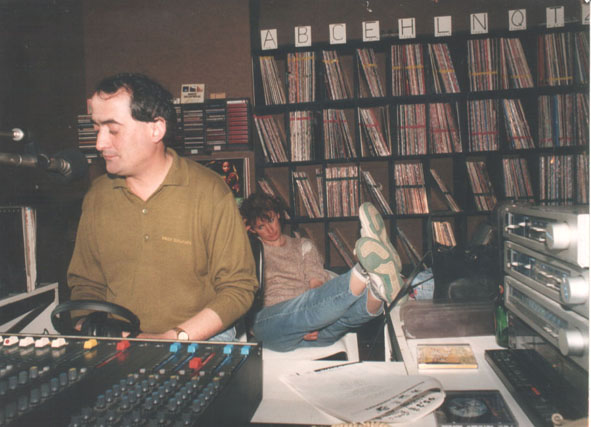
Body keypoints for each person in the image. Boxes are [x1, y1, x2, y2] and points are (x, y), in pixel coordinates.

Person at [67, 73, 258, 341]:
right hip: (120, 340)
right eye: (97, 128)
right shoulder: (97, 197)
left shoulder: (210, 192)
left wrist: (172, 338)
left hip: (196, 336)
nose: (100, 143)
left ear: (156, 129)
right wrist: (92, 326)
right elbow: (85, 285)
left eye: (113, 130)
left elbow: (238, 288)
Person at [239, 192, 403, 352]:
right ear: (252, 229)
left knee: (344, 320)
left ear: (278, 215)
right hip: (271, 325)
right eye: (261, 227)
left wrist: (312, 322)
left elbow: (316, 285)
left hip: (313, 326)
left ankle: (377, 290)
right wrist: (240, 231)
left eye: (271, 220)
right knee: (305, 315)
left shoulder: (303, 246)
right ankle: (364, 269)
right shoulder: (251, 252)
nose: (270, 229)